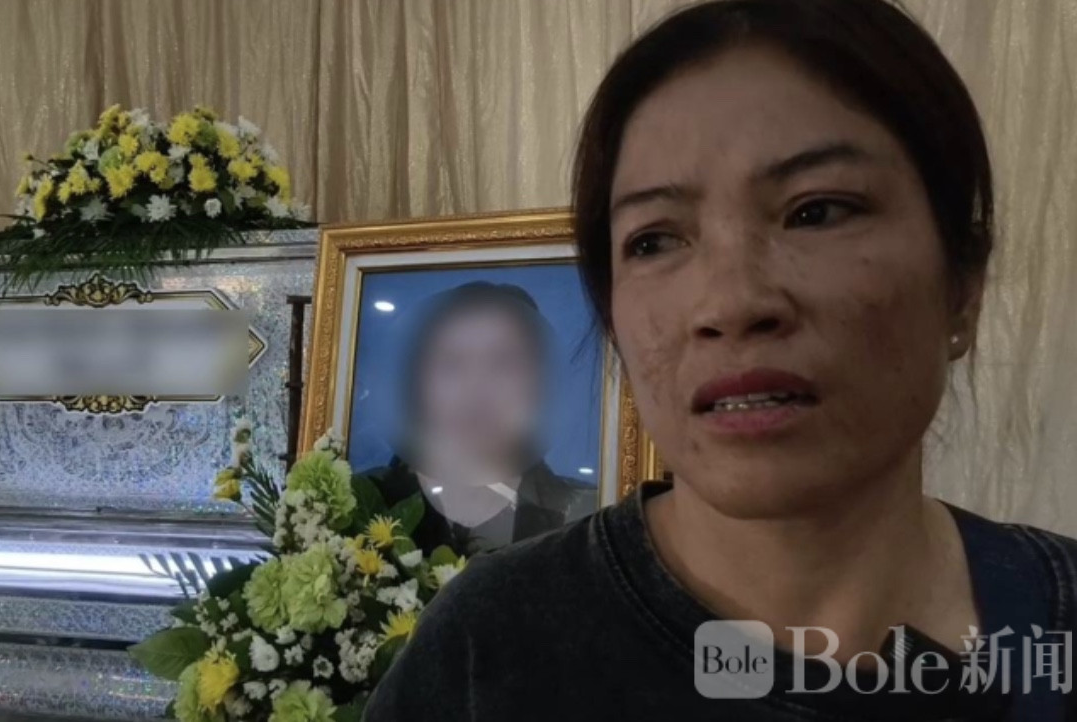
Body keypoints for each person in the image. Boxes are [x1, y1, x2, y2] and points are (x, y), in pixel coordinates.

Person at [364, 1, 1077, 720]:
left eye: (817, 211)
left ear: (963, 287)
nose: (731, 303)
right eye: (654, 240)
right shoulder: (493, 646)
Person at [362, 281, 595, 553]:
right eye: (451, 363)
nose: (476, 388)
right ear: (417, 384)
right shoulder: (357, 503)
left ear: (537, 385)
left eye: (503, 363)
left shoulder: (587, 514)